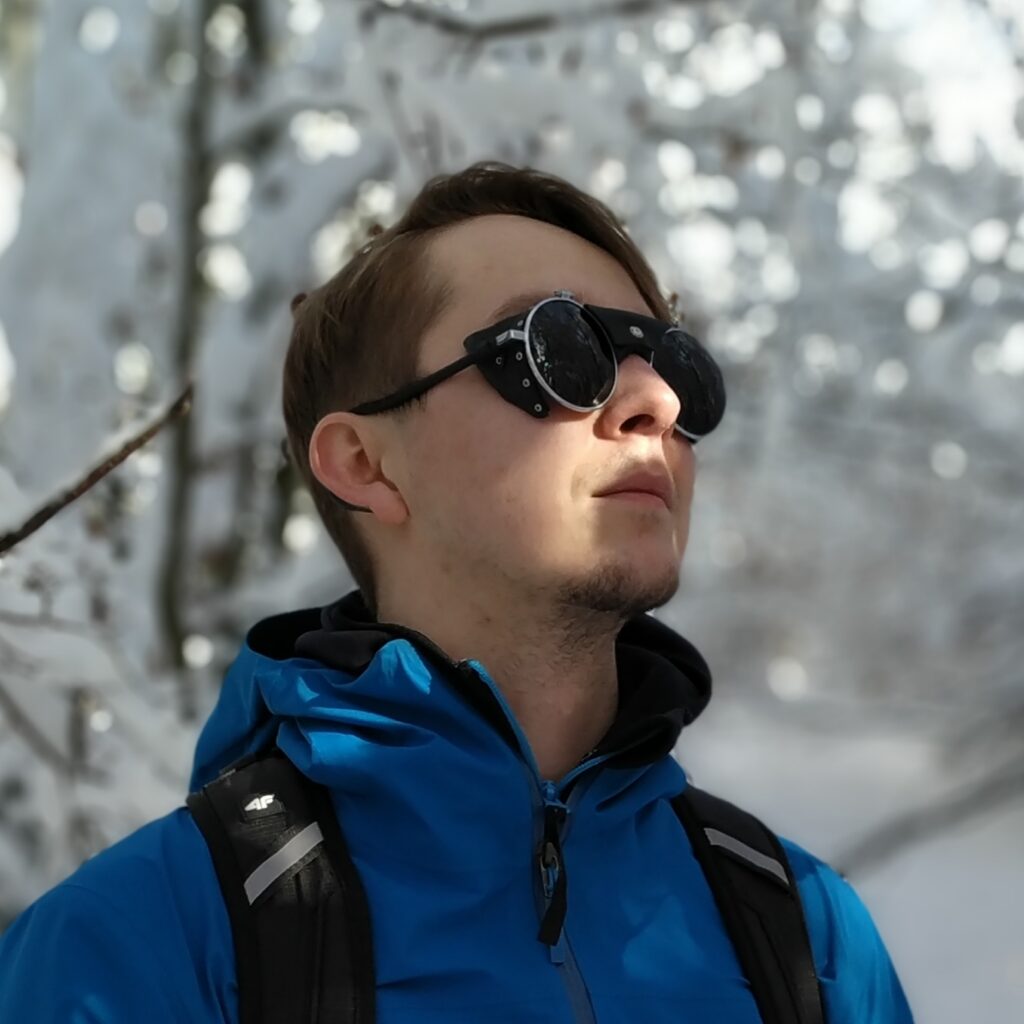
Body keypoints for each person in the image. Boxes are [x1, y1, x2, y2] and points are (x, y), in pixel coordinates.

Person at [0, 161, 913, 1022]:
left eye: (673, 364)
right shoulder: (139, 944)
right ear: (367, 464)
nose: (656, 405)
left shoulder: (808, 935)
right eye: (558, 348)